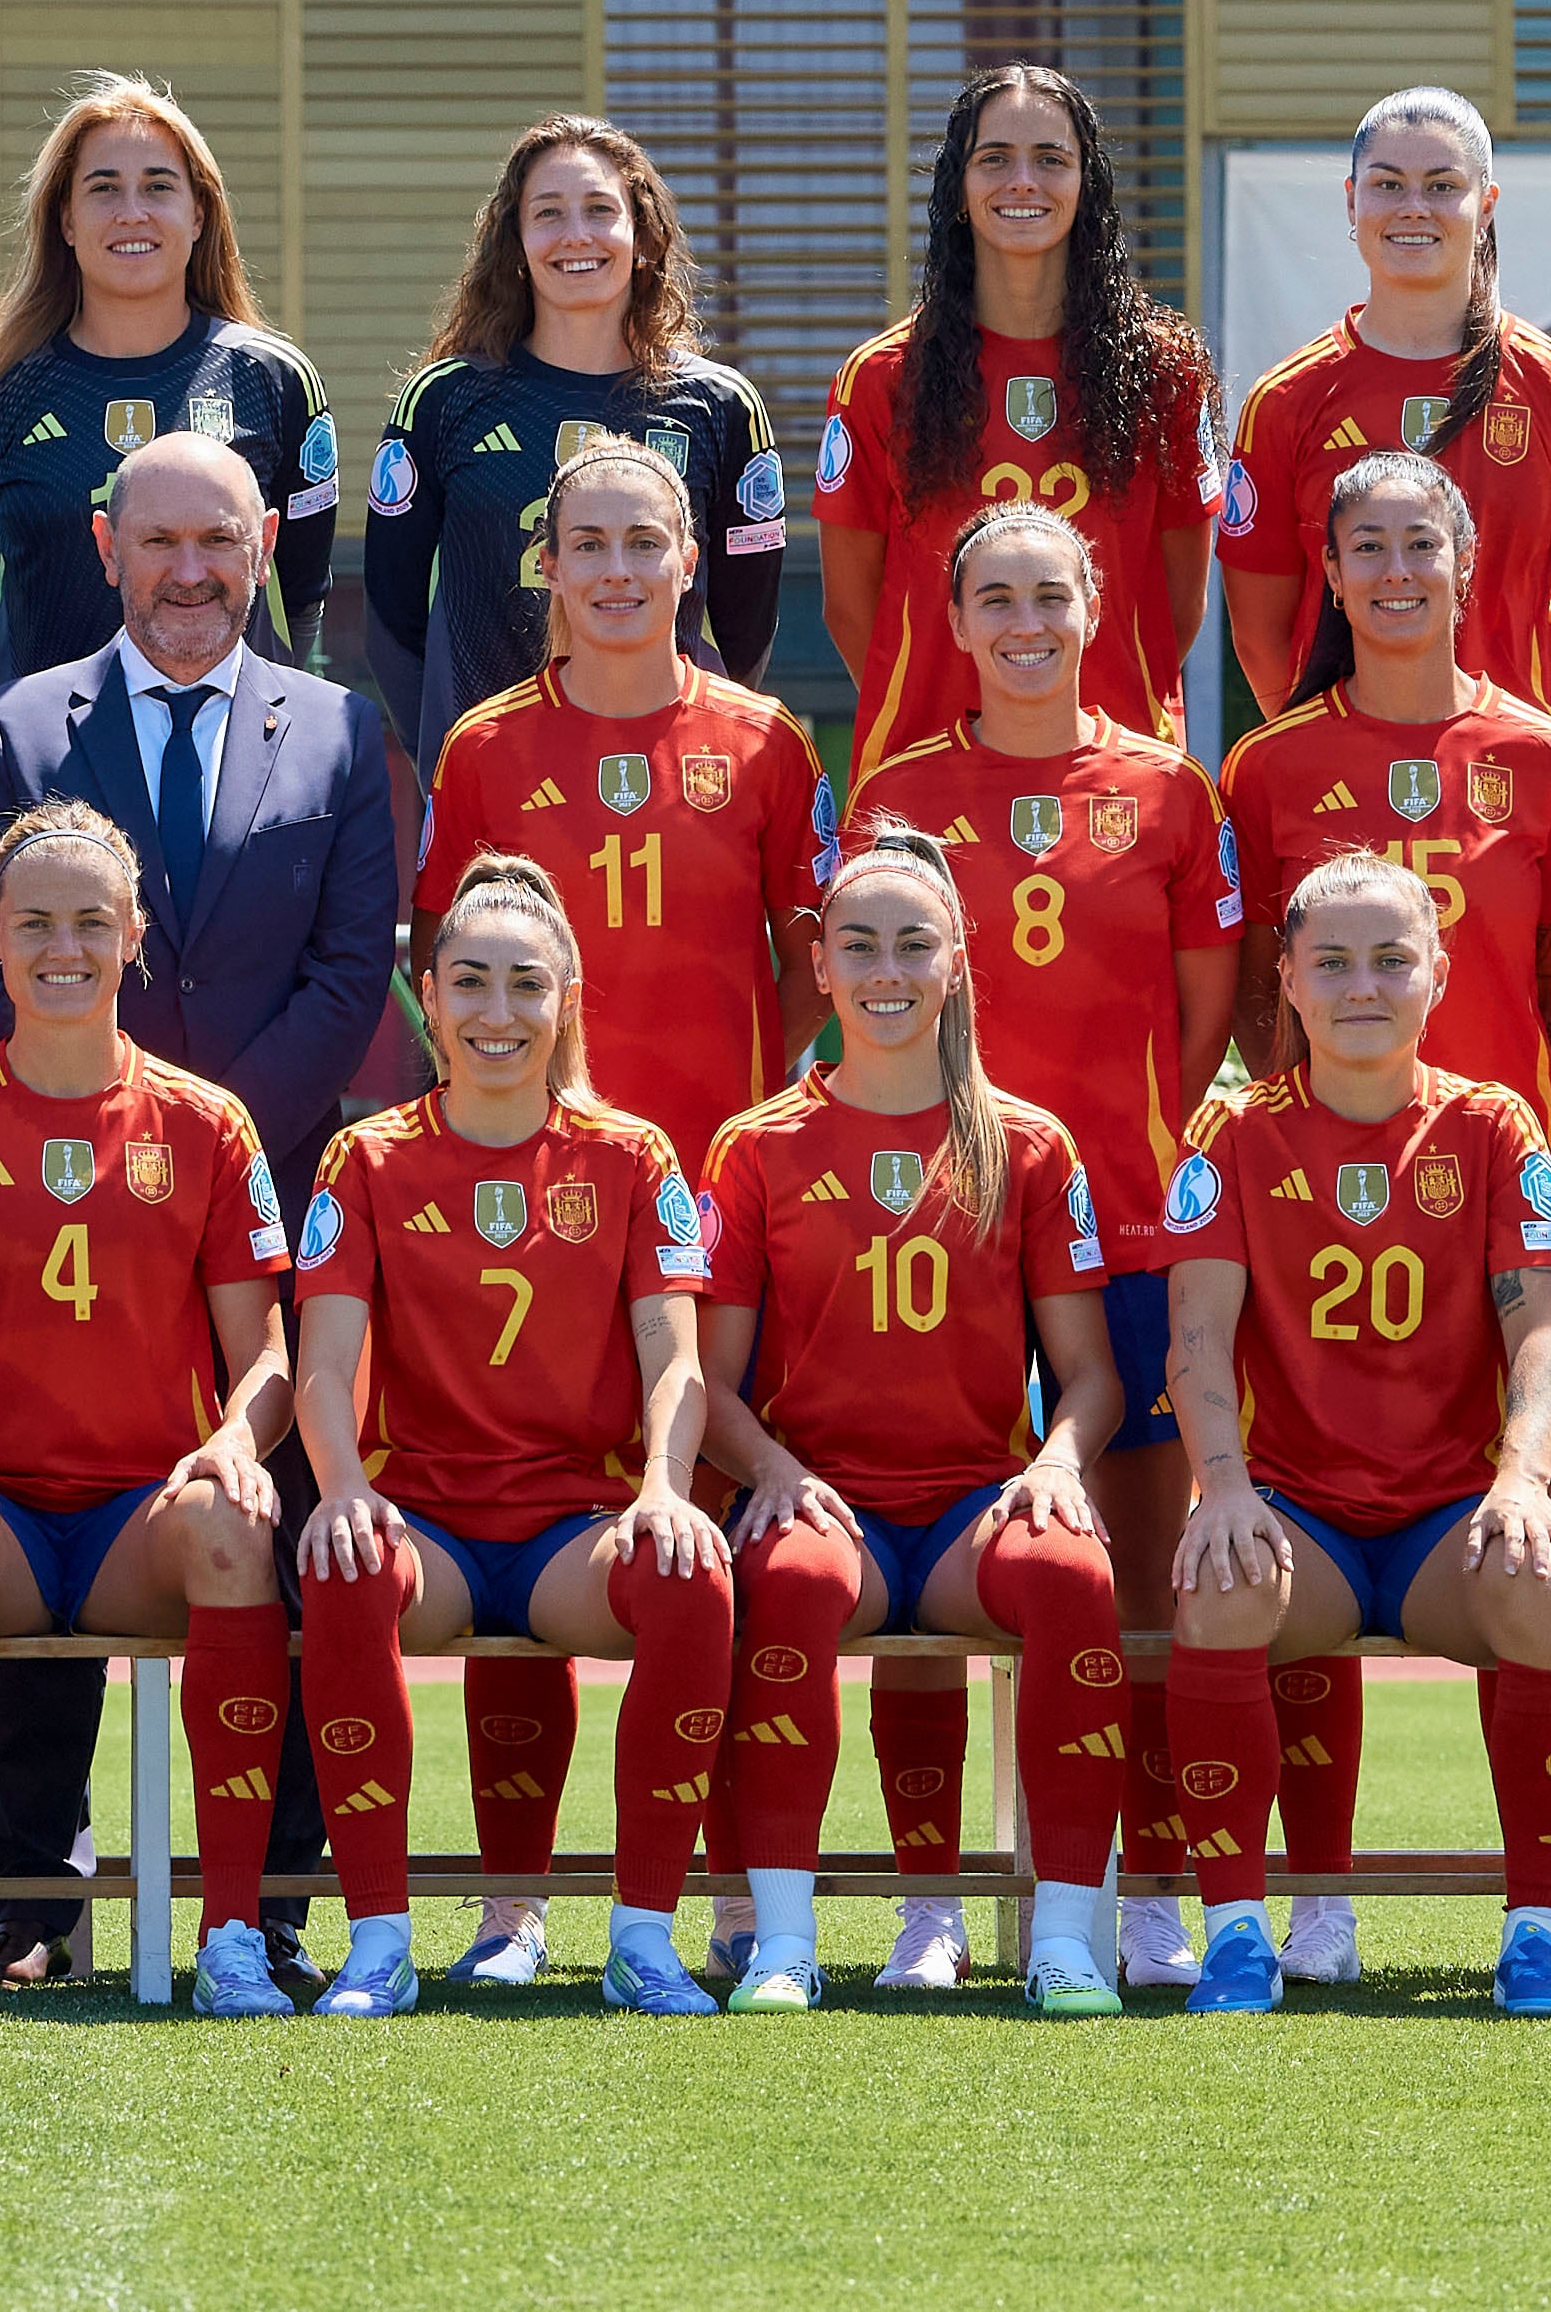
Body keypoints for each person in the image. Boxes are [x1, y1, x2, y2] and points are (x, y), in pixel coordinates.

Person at [0, 427, 392, 1988]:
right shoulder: (13, 723)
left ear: (264, 541)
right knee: (55, 1478)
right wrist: (118, 1138)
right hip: (65, 1187)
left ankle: (268, 1891)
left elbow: (351, 973)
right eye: (158, 543)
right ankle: (26, 1902)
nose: (188, 571)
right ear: (103, 544)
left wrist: (198, 1145)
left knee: (262, 1520)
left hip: (271, 1183)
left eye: (217, 540)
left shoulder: (338, 727)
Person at [414, 434, 830, 1976]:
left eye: (640, 541)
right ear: (544, 566)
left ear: (686, 558)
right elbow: (450, 966)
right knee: (516, 1498)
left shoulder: (768, 742)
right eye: (581, 543)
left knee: (701, 1531)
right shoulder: (479, 750)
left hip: (712, 1204)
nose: (611, 570)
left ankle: (723, 1890)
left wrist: (760, 1153)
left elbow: (810, 971)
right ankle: (511, 1899)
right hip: (532, 1193)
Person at [1210, 449, 1551, 1986]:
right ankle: (1307, 1896)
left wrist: (1548, 1183)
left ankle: (1544, 1909)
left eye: (1416, 546)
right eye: (1360, 547)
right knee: (1288, 1515)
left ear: (1463, 564)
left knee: (1522, 1550)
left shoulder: (1549, 758)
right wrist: (1306, 1141)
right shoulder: (1264, 764)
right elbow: (1253, 994)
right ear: (1328, 571)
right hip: (1319, 1199)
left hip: (1489, 1200)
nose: (1390, 573)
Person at [856, 501, 1239, 1989]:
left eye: (1049, 595)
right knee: (920, 1580)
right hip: (937, 1226)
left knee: (1129, 1587)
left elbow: (1200, 1011)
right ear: (952, 623)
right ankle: (928, 1899)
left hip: (1126, 1228)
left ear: (1093, 611)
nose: (1022, 621)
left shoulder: (1164, 787)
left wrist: (1115, 1139)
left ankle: (1143, 1887)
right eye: (993, 597)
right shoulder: (894, 789)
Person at [0, 802, 303, 2017]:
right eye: (34, 920)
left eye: (92, 920)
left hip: (136, 1524)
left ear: (134, 932)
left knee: (235, 1527)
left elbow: (269, 1361)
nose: (64, 945)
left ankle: (238, 1935)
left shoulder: (206, 1123)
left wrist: (229, 1444)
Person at [1154, 854, 1551, 2019]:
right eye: (1334, 963)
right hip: (1299, 1514)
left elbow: (1544, 1335)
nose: (1365, 985)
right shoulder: (1235, 1133)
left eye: (1392, 960)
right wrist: (1223, 1488)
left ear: (1438, 976)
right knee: (1216, 1586)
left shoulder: (1495, 1123)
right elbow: (1196, 1336)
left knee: (1544, 1585)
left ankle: (1538, 1933)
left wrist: (1523, 1482)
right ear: (1289, 986)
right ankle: (1238, 1935)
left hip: (1448, 1516)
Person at [697, 826, 1133, 2015]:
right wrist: (772, 1468)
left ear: (956, 965)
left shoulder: (1029, 1144)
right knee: (786, 1584)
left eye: (913, 945)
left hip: (969, 1506)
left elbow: (1089, 1372)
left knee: (1074, 1580)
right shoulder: (756, 1145)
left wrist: (1056, 1461)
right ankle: (785, 1946)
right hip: (825, 1494)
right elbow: (710, 1380)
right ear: (821, 967)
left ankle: (1064, 1944)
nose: (886, 970)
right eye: (859, 946)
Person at [292, 851, 733, 2018]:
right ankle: (378, 1943)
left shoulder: (633, 1155)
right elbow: (322, 1366)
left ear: (566, 1000)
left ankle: (644, 1938)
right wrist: (340, 1488)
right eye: (472, 983)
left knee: (690, 1579)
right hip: (424, 1524)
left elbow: (674, 1355)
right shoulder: (368, 1156)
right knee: (344, 1570)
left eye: (526, 985)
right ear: (427, 998)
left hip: (570, 1534)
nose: (499, 1012)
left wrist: (665, 1489)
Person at [812, 65, 1219, 787]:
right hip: (925, 763)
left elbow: (1177, 601)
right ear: (958, 190)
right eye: (993, 158)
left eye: (1050, 160)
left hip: (1118, 767)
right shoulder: (880, 377)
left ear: (1086, 183)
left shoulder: (1164, 370)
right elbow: (851, 609)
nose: (1021, 182)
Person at [1215, 84, 1551, 729]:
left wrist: (1528, 752)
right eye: (1388, 185)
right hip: (1338, 786)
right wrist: (1318, 755)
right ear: (1351, 201)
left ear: (1487, 206)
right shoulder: (1285, 401)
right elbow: (1259, 634)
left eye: (1443, 186)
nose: (1414, 208)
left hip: (1514, 799)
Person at [361, 114, 784, 765]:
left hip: (654, 780)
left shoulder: (720, 407)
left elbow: (744, 631)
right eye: (548, 214)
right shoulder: (442, 401)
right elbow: (391, 622)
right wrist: (449, 767)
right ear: (516, 241)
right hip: (495, 782)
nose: (576, 235)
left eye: (598, 210)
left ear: (641, 234)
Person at [0, 73, 336, 694]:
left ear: (199, 214)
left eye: (158, 187)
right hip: (49, 774)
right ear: (65, 219)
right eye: (104, 189)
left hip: (222, 764)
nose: (131, 212)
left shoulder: (275, 382)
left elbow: (301, 604)